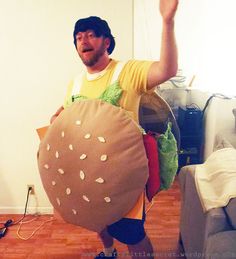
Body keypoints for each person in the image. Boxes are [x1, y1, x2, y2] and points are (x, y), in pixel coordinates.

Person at [50, 1, 178, 258]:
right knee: (97, 219)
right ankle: (109, 252)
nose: (84, 40)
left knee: (131, 232)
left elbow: (167, 70)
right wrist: (58, 117)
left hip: (124, 175)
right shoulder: (74, 84)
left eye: (91, 34)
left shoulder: (127, 72)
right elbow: (72, 111)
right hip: (87, 170)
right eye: (78, 36)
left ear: (107, 41)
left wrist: (167, 21)